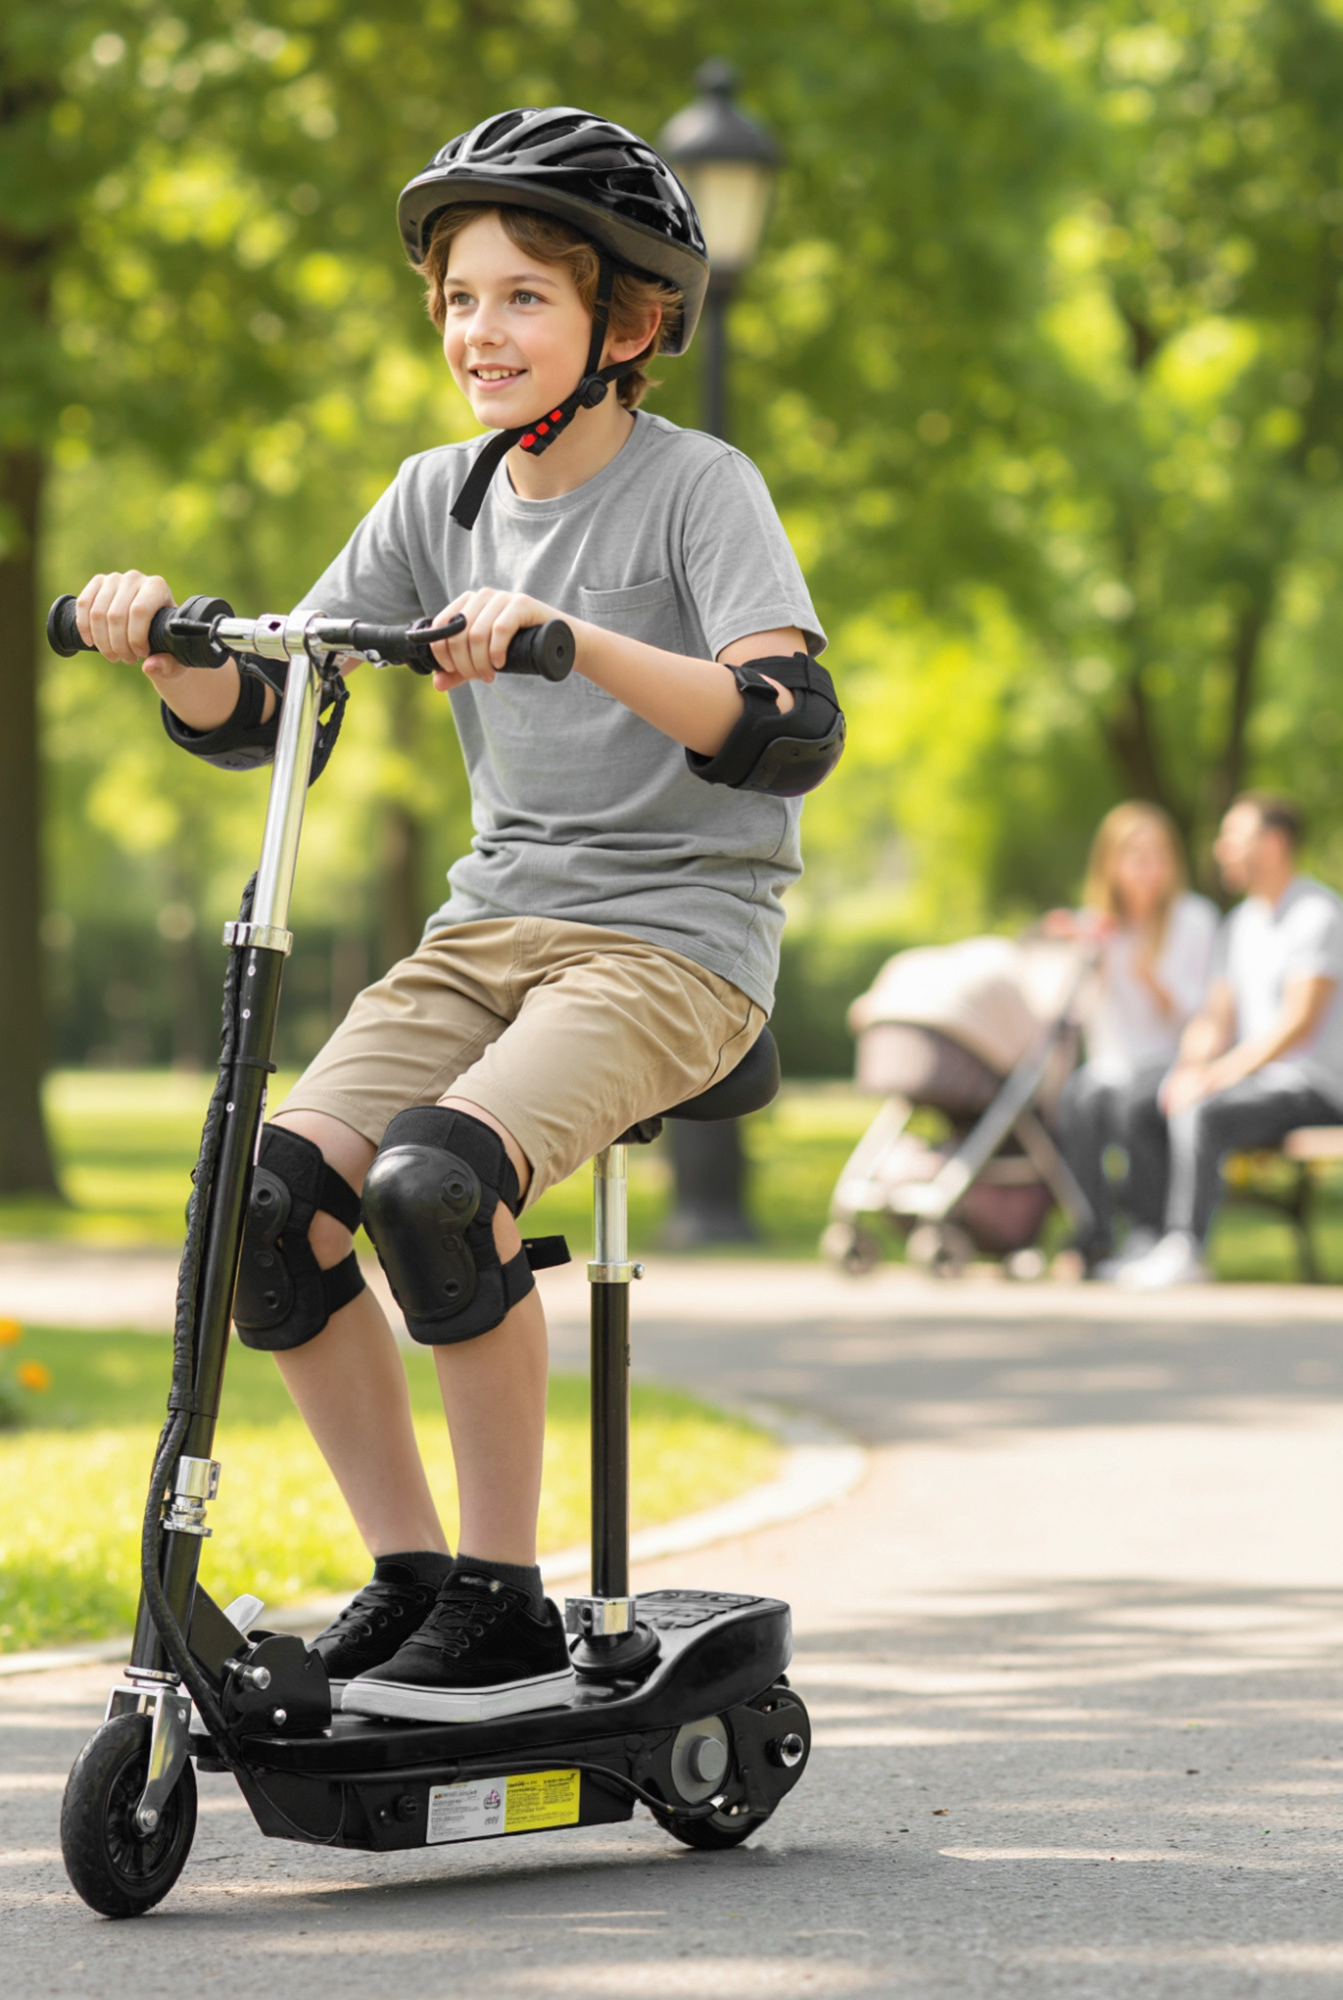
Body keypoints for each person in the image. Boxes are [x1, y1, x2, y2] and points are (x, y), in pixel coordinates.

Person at [73, 108, 842, 1721]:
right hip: (488, 931)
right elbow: (284, 711)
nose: (477, 331)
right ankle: (413, 1577)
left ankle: (502, 1598)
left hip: (674, 941)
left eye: (521, 299)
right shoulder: (437, 494)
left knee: (433, 1185)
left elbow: (787, 722)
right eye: (457, 299)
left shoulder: (702, 488)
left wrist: (572, 639)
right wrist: (171, 646)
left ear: (624, 327)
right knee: (271, 1211)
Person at [1115, 793, 1343, 1290]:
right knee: (1147, 1102)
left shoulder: (1318, 914)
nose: (1221, 848)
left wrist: (1220, 1075)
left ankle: (1187, 1246)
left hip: (1316, 1088)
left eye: (1234, 837)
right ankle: (1148, 1239)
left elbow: (1299, 1023)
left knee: (1203, 1109)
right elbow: (1216, 1016)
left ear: (1273, 845)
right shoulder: (1240, 925)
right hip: (1261, 1085)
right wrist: (1190, 1067)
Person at [1047, 803, 1218, 1276]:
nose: (1148, 868)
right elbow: (1079, 1013)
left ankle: (1149, 1229)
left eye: (1158, 855)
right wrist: (1079, 955)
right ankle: (1093, 1233)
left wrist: (1145, 968)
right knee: (1075, 1104)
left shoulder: (1194, 919)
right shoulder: (1099, 923)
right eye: (1135, 856)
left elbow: (1199, 1012)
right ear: (1111, 863)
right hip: (1112, 1060)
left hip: (1171, 1056)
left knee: (1133, 1102)